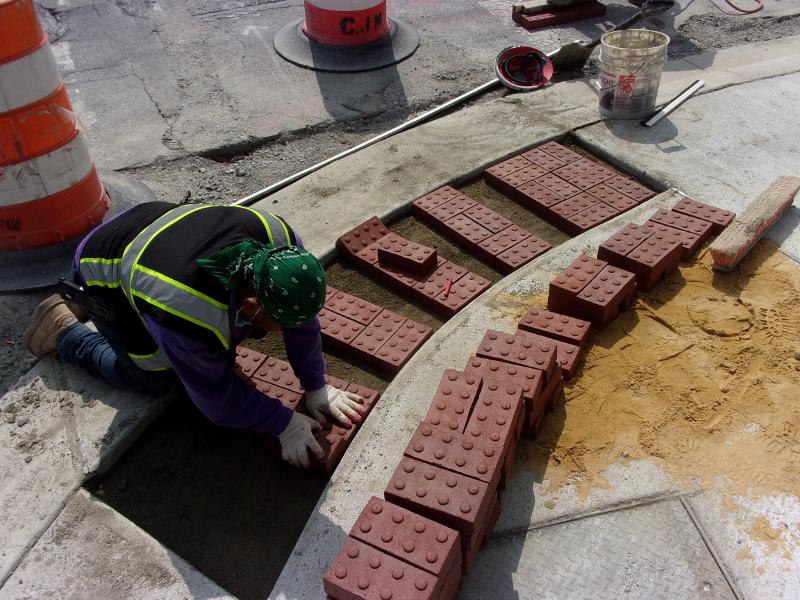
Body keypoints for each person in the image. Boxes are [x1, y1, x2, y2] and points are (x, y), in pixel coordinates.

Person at [23, 201, 365, 468]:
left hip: (151, 231)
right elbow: (217, 403)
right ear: (249, 304)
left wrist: (316, 385)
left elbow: (301, 322)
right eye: (281, 323)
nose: (294, 329)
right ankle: (66, 330)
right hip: (102, 266)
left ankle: (92, 304)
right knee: (156, 376)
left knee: (215, 347)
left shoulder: (284, 248)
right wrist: (282, 423)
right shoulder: (183, 309)